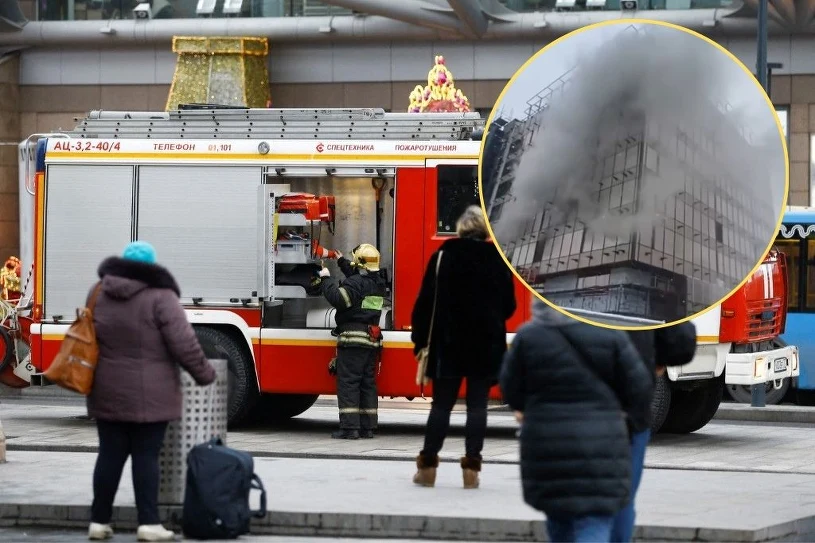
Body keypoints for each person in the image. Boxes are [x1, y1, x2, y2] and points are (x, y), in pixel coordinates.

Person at [87, 241, 216, 542]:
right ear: (151, 265)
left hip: (106, 387)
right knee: (146, 457)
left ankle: (99, 521)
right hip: (151, 394)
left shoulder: (99, 292)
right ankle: (148, 523)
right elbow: (184, 343)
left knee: (109, 455)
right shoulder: (161, 295)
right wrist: (205, 374)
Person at [500, 299, 652, 543]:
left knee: (558, 520)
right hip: (602, 442)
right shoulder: (610, 333)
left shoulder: (528, 337)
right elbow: (639, 387)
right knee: (594, 522)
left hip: (547, 444)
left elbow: (510, 390)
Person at [411, 205, 516, 489]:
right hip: (485, 346)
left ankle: (428, 468)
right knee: (477, 407)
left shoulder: (443, 256)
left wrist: (419, 341)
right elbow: (509, 307)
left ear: (460, 228)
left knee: (441, 406)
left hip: (448, 344)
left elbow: (425, 304)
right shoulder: (498, 259)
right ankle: (471, 470)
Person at [611, 321, 697, 542]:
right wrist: (657, 361)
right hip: (628, 414)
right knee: (621, 497)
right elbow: (680, 344)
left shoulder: (555, 307)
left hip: (569, 414)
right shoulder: (647, 301)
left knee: (571, 502)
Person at [319, 243, 388, 440]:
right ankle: (367, 427)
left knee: (349, 383)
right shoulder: (378, 283)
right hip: (370, 341)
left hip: (353, 340)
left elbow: (338, 298)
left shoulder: (356, 283)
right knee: (367, 384)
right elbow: (358, 281)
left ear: (358, 262)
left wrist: (326, 279)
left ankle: (350, 428)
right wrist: (342, 262)